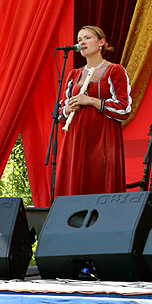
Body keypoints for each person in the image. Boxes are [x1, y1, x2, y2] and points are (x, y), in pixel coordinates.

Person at [57, 26, 131, 196]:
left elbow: (124, 109)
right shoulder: (73, 74)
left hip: (102, 139)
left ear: (101, 42)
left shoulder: (115, 70)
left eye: (87, 38)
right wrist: (68, 108)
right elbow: (60, 113)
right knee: (74, 185)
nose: (82, 42)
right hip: (75, 138)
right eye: (79, 40)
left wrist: (91, 101)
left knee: (99, 182)